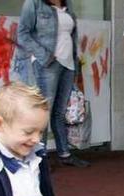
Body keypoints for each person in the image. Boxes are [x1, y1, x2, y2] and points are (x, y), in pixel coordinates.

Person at [17, 0, 90, 168]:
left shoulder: (67, 5)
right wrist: (45, 55)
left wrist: (75, 59)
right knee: (43, 112)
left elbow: (70, 35)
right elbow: (23, 33)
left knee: (60, 111)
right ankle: (38, 158)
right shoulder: (34, 4)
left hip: (68, 64)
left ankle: (64, 153)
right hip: (47, 63)